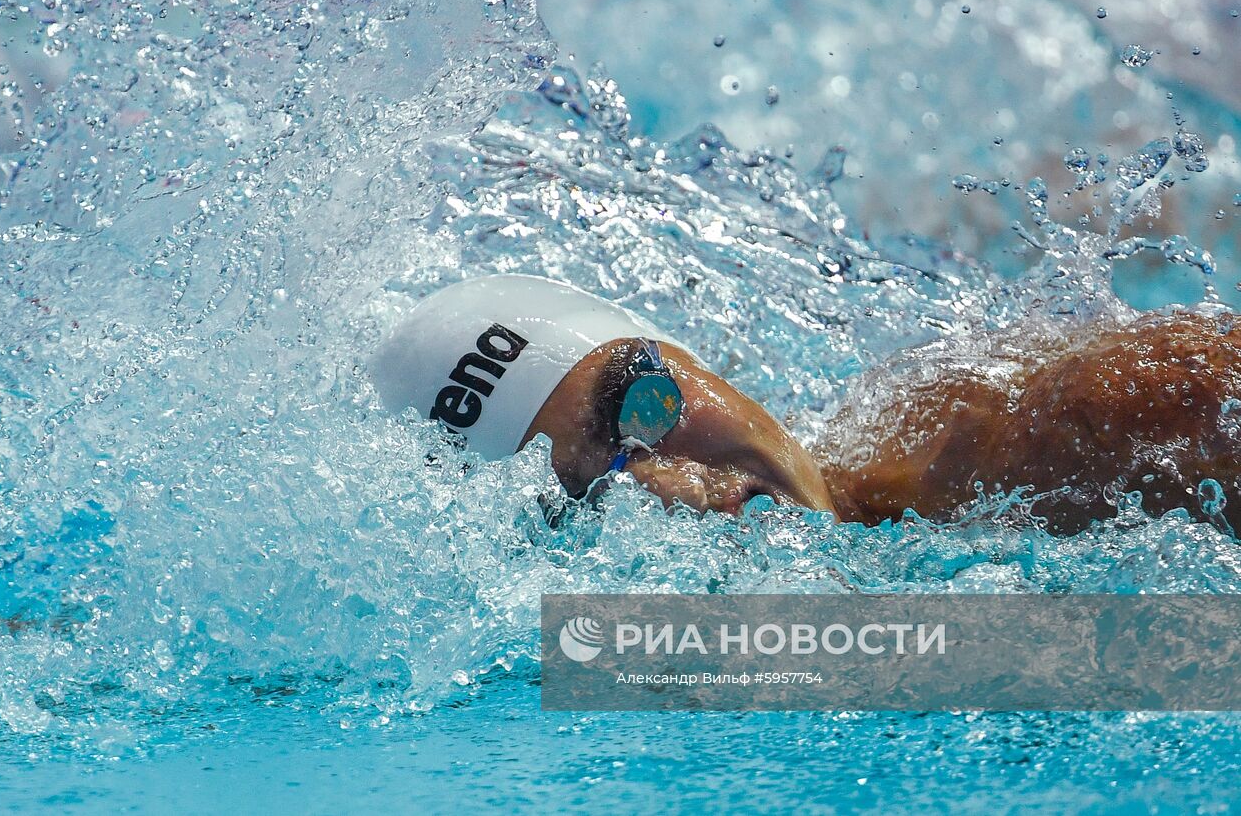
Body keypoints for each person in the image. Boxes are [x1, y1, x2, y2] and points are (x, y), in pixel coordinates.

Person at [373, 275, 1241, 534]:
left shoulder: (1088, 421)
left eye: (643, 406)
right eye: (591, 494)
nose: (674, 483)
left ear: (693, 359)